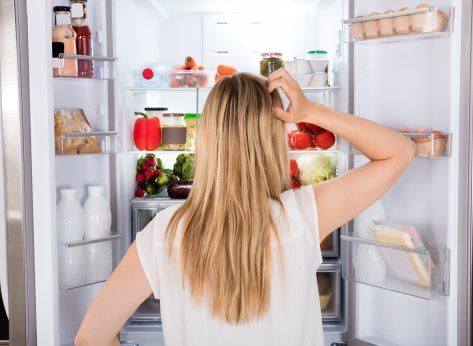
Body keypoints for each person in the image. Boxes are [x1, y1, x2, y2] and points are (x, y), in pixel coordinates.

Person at [75, 69, 415, 346]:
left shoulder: (162, 234)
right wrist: (312, 111)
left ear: (207, 138)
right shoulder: (302, 215)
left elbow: (91, 337)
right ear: (273, 138)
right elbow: (399, 152)